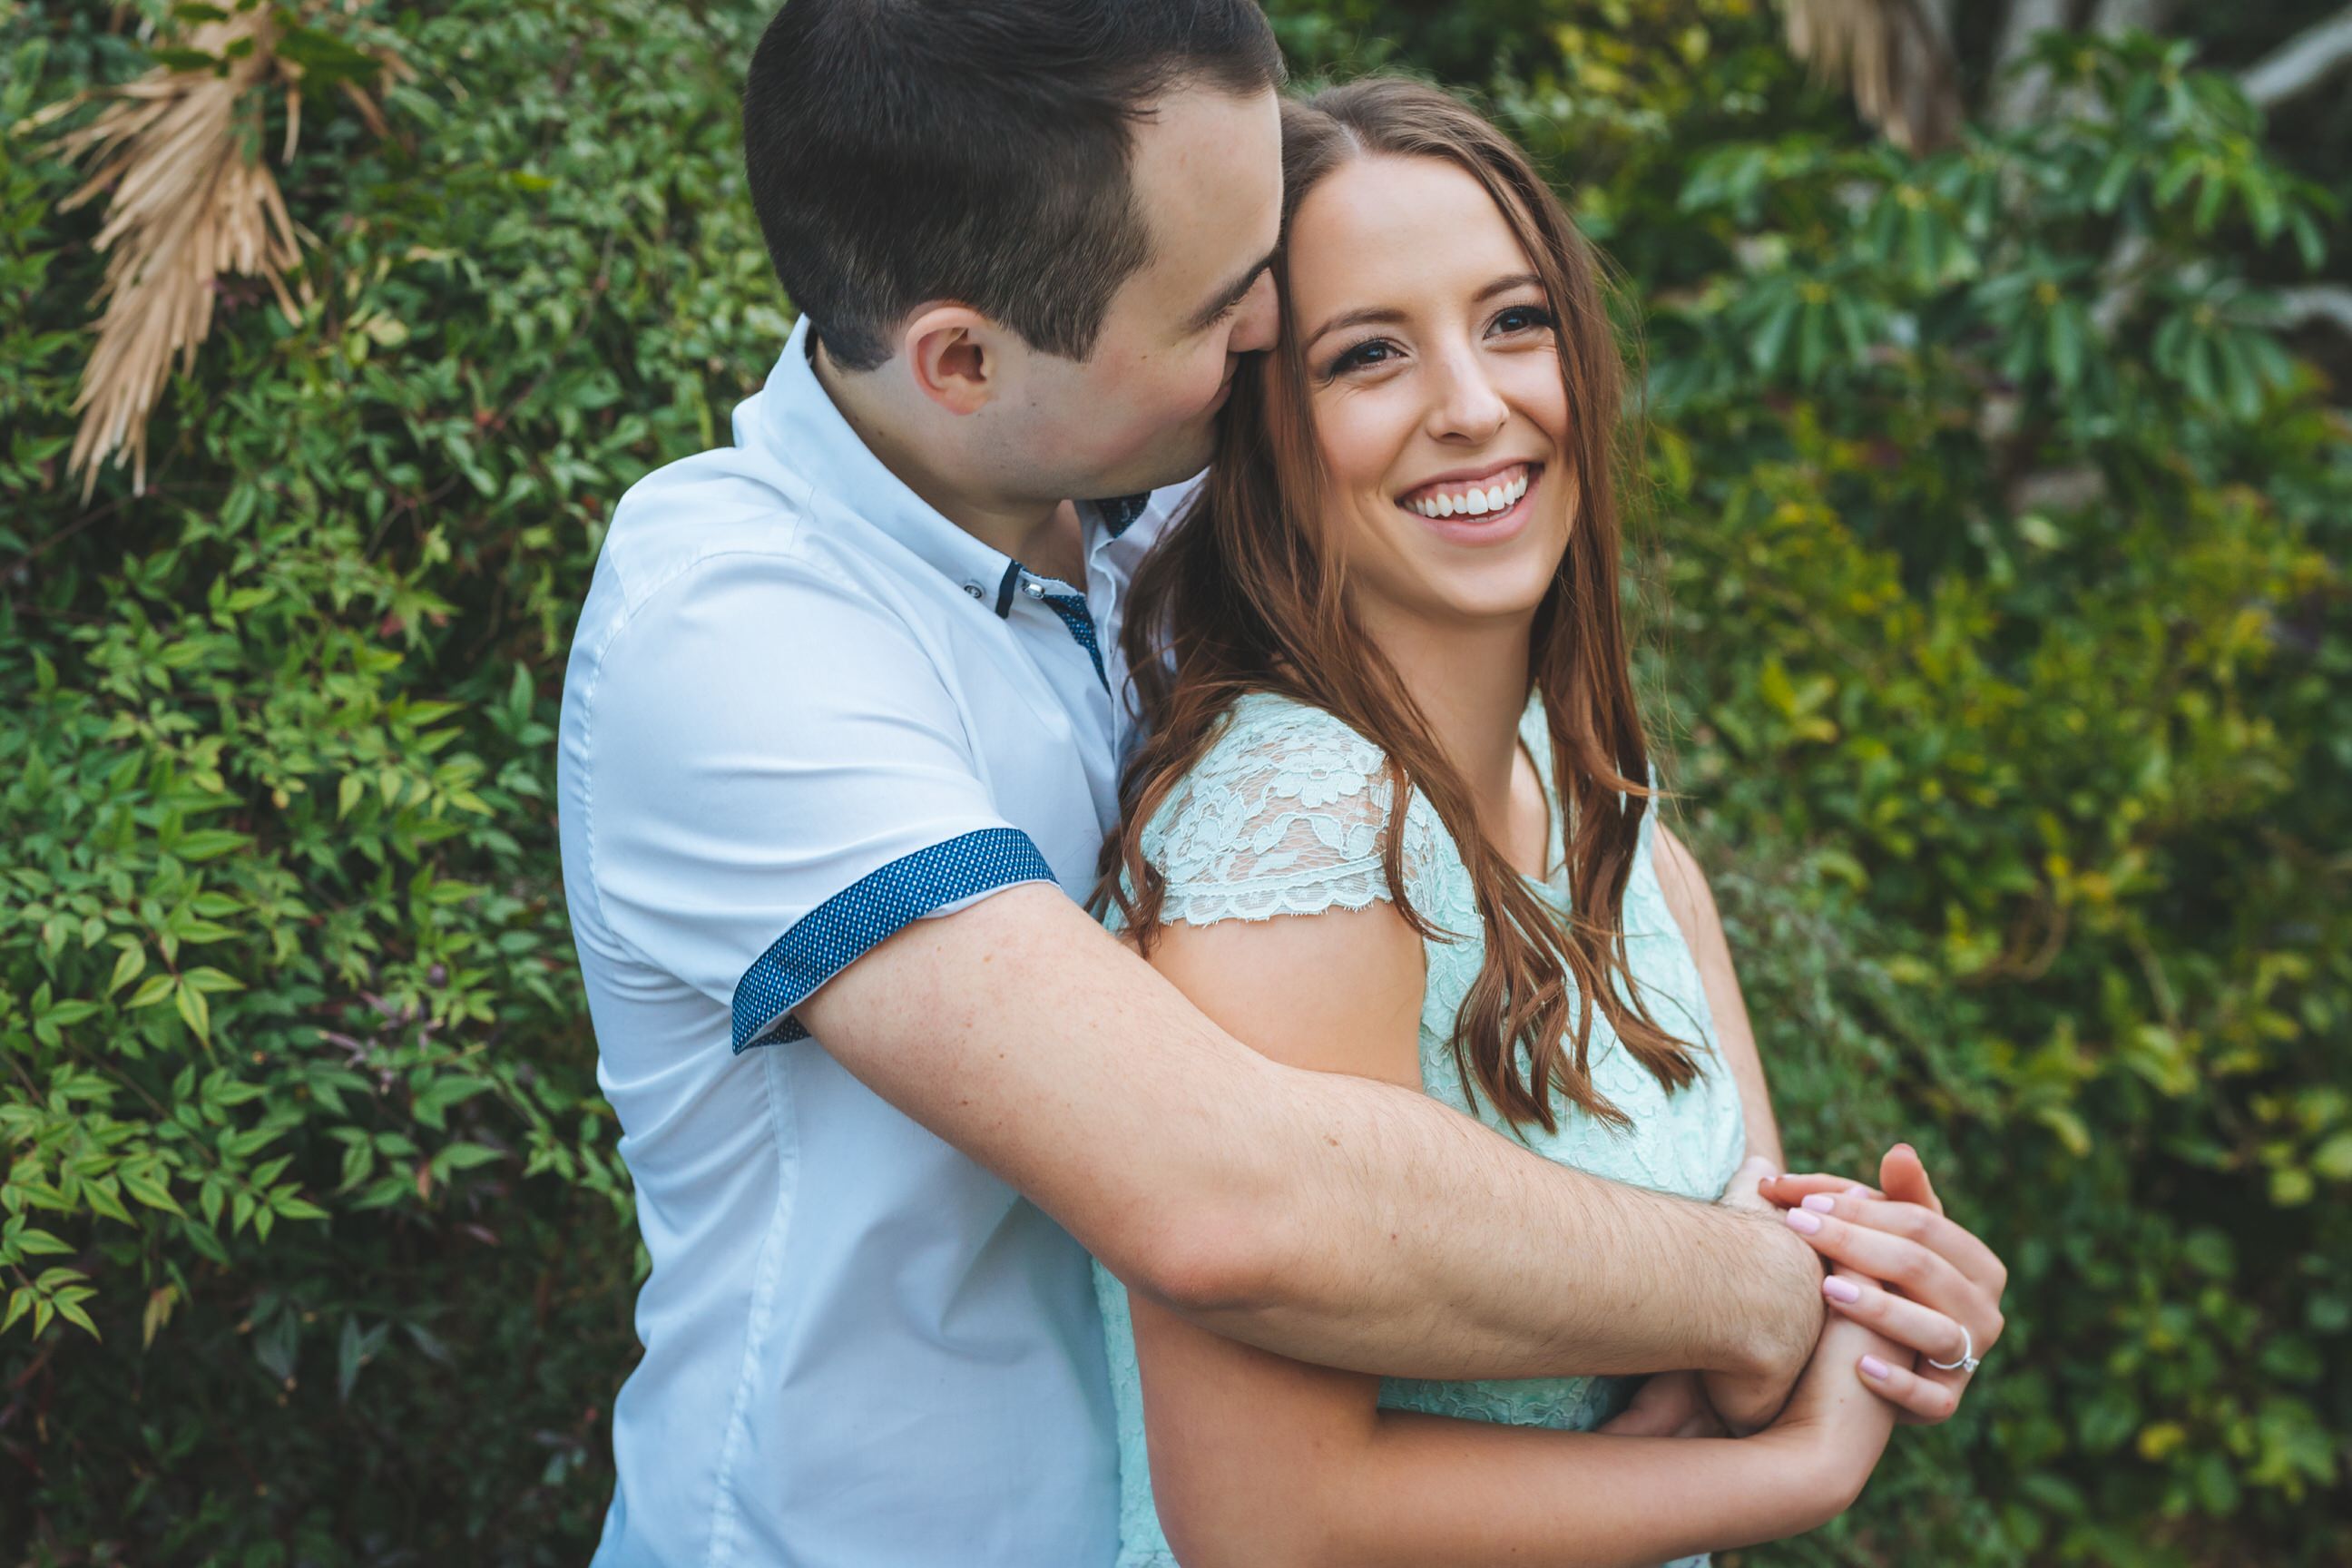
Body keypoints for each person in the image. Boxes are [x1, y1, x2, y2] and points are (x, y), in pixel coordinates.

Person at [554, 3, 2006, 1562]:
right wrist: (1768, 1292)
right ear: (963, 360)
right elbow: (1232, 1201)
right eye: (1226, 304)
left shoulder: (1142, 535)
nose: (1263, 331)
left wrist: (1851, 1282)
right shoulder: (738, 637)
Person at [1090, 76, 2006, 1567]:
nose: (1471, 402)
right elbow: (1265, 1523)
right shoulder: (1304, 823)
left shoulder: (1607, 814)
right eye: (1368, 353)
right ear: (1263, 428)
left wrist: (1891, 1290)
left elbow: (1749, 1322)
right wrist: (1804, 1470)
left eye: (1514, 320)